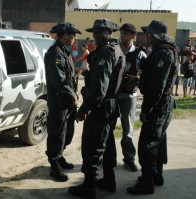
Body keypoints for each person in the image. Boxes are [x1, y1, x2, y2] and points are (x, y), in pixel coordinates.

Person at [68, 18, 123, 199]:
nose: (96, 35)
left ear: (110, 33)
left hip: (101, 107)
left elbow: (100, 87)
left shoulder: (106, 52)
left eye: (100, 32)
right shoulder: (116, 50)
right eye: (95, 32)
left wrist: (85, 107)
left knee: (93, 146)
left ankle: (89, 187)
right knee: (106, 145)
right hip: (110, 106)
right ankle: (109, 180)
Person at [127, 20, 178, 195]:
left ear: (157, 36)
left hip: (158, 105)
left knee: (148, 143)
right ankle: (157, 175)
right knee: (158, 140)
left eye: (149, 34)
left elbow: (157, 85)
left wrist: (146, 109)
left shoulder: (163, 54)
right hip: (162, 103)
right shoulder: (162, 51)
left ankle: (147, 182)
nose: (146, 36)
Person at [44, 22, 81, 182]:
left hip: (68, 101)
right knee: (56, 133)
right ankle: (54, 164)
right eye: (74, 34)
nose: (75, 38)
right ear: (66, 35)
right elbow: (58, 79)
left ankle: (60, 157)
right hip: (59, 101)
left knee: (67, 132)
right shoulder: (56, 53)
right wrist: (71, 94)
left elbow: (70, 77)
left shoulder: (65, 52)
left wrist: (74, 95)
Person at [118, 23, 147, 172]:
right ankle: (105, 159)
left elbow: (149, 74)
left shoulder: (139, 54)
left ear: (132, 36)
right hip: (113, 96)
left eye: (125, 33)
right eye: (121, 33)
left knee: (128, 130)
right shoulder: (114, 51)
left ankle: (129, 159)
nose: (121, 35)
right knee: (107, 129)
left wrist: (138, 77)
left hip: (129, 97)